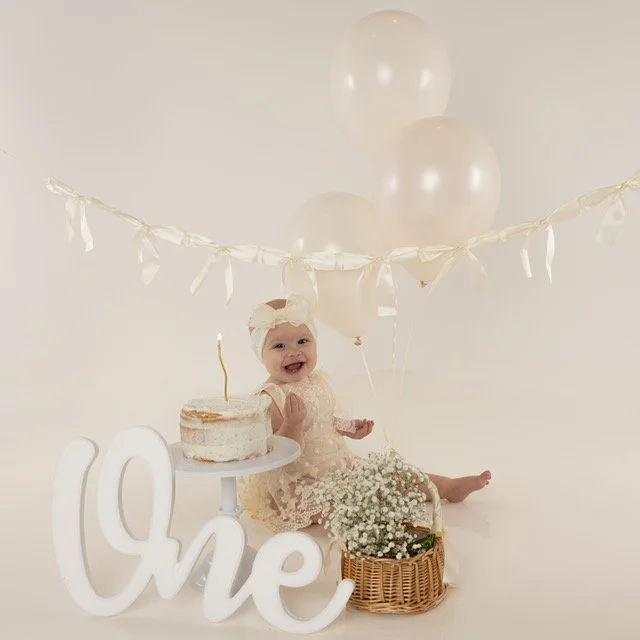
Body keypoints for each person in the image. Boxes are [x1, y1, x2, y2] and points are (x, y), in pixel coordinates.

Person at [238, 295, 491, 532]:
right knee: (339, 507)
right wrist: (291, 425)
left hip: (338, 465)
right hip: (299, 480)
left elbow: (324, 420)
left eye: (303, 341)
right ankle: (377, 526)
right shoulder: (269, 398)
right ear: (260, 354)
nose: (293, 351)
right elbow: (275, 453)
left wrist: (349, 427)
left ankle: (445, 487)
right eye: (279, 345)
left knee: (390, 474)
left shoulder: (317, 381)